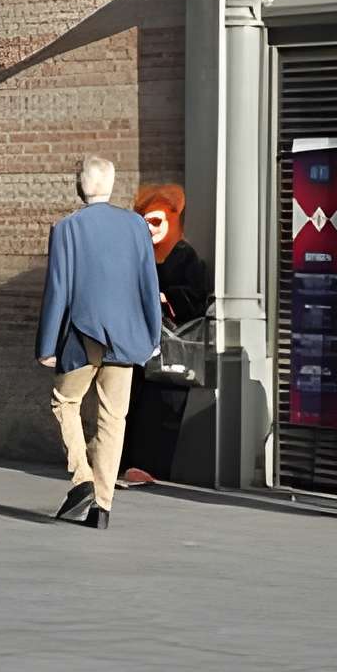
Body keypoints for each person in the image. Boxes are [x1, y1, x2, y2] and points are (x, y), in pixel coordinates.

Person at [36, 156, 162, 531]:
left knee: (65, 403)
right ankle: (102, 507)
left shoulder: (67, 229)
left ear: (80, 185)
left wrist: (46, 344)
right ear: (110, 184)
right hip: (126, 336)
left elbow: (58, 290)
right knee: (113, 418)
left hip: (84, 333)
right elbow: (148, 285)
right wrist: (152, 336)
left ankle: (83, 480)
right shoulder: (136, 226)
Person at [120, 184, 214, 487]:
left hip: (170, 352)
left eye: (157, 221)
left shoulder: (186, 257)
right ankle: (130, 464)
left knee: (161, 409)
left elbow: (195, 299)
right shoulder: (140, 255)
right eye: (144, 222)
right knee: (135, 407)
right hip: (140, 347)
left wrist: (165, 298)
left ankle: (150, 466)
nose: (150, 229)